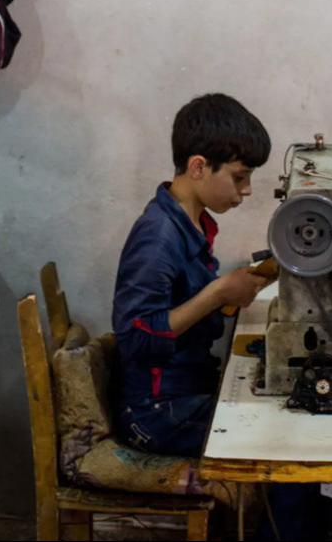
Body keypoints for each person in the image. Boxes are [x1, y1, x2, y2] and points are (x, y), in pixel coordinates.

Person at [111, 92, 272, 457]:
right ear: (198, 167)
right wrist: (217, 293)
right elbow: (136, 338)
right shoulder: (158, 236)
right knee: (276, 441)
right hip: (156, 414)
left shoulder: (192, 224)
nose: (246, 190)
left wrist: (231, 294)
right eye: (239, 177)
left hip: (185, 389)